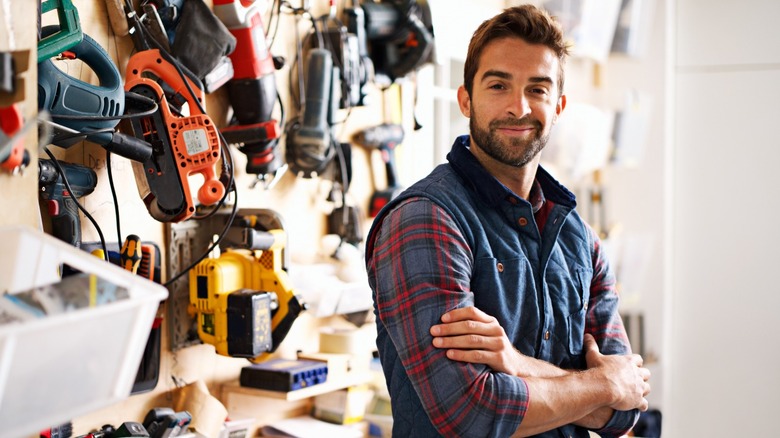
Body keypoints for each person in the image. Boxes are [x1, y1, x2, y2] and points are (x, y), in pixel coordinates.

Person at [365, 4, 651, 437]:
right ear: (466, 99)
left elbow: (627, 410)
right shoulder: (426, 220)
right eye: (498, 85)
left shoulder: (580, 239)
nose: (518, 107)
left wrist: (515, 365)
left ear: (559, 105)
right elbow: (472, 413)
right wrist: (602, 384)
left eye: (538, 89)